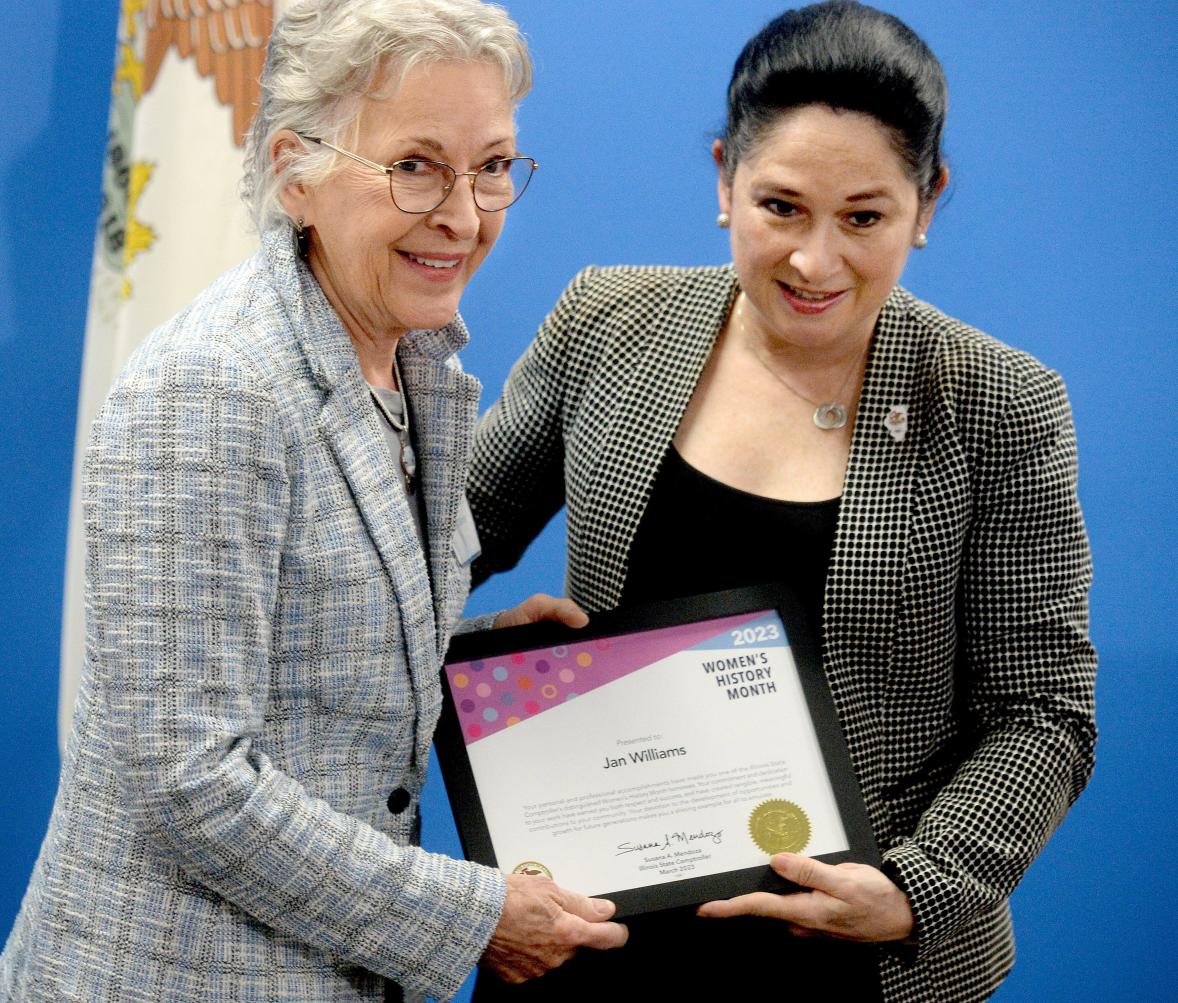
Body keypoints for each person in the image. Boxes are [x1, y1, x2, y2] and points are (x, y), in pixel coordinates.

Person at [0, 2, 626, 1001]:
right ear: (295, 169)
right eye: (416, 165)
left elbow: (290, 658)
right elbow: (189, 781)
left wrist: (484, 655)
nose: (465, 215)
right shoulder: (215, 384)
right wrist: (473, 913)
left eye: (494, 164)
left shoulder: (410, 357)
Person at [465, 2, 1096, 1000]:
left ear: (926, 203)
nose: (815, 261)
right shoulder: (606, 320)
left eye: (864, 217)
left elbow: (1041, 711)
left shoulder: (999, 404)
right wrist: (484, 664)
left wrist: (915, 892)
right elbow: (436, 541)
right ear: (724, 178)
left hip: (845, 960)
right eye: (781, 207)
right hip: (585, 933)